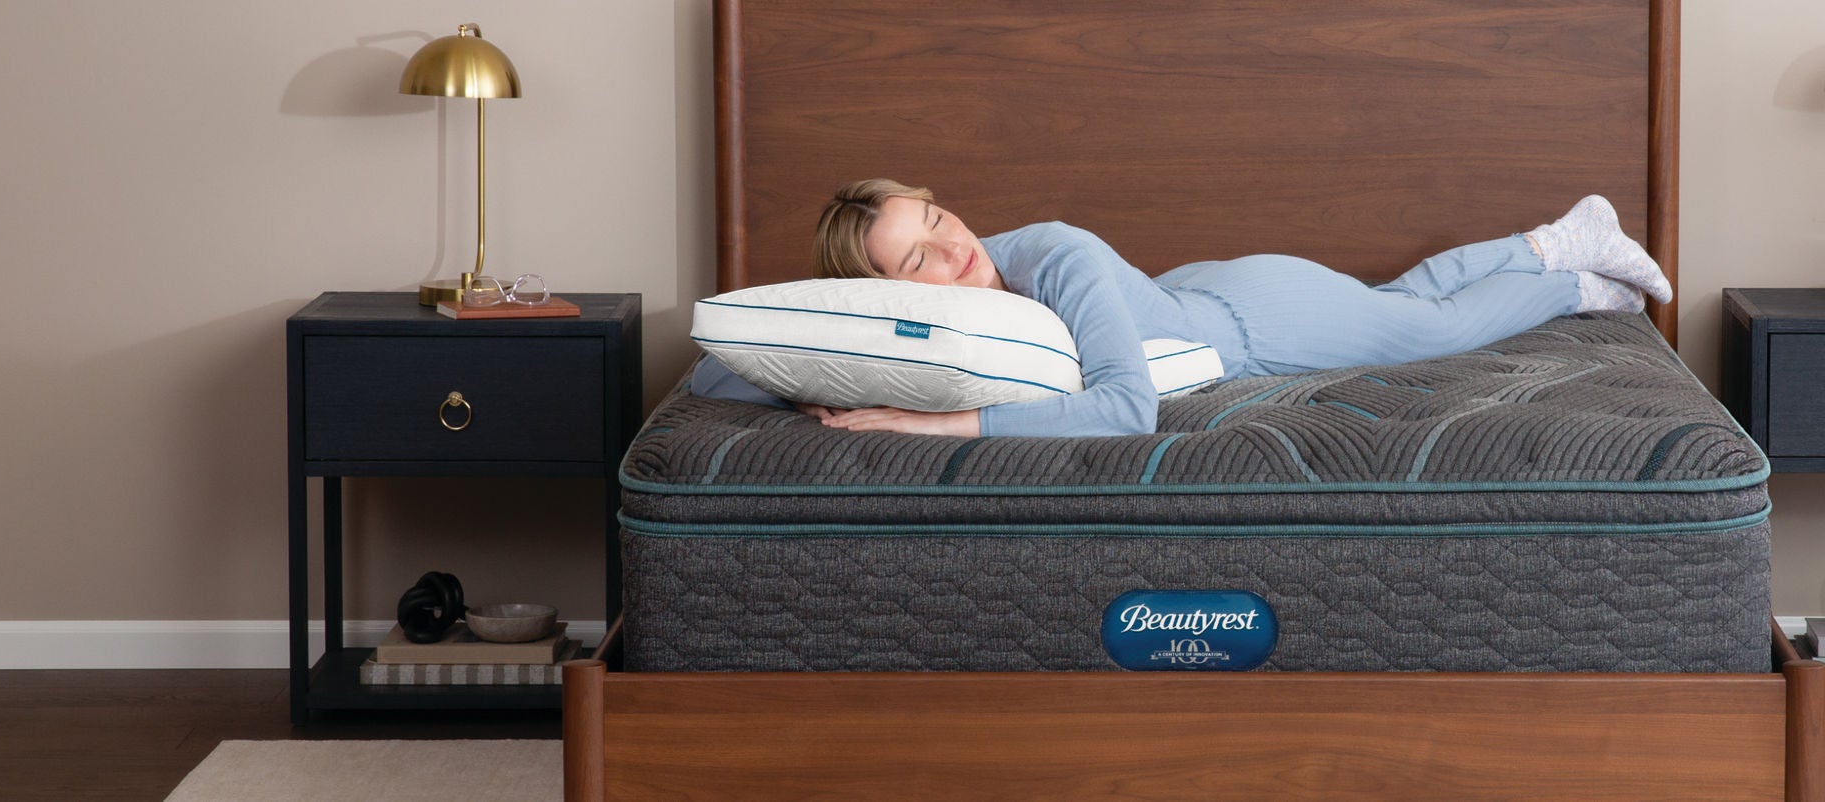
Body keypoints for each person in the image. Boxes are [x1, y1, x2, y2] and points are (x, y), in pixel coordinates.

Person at [693, 178, 1672, 438]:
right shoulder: (935, 310)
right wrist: (823, 378)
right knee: (1397, 298)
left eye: (939, 219)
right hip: (1204, 293)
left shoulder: (1051, 251)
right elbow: (711, 372)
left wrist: (928, 421)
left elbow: (1126, 410)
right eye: (919, 256)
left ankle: (1569, 277)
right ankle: (1554, 237)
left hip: (1258, 325)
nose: (956, 248)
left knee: (1430, 329)